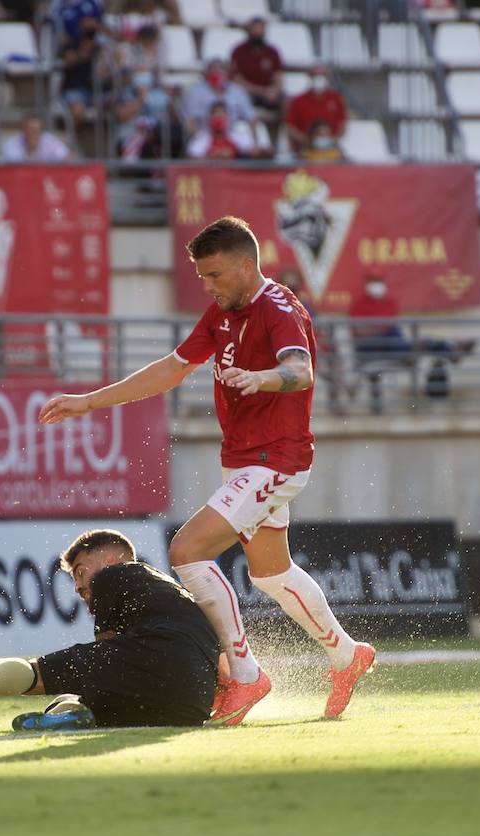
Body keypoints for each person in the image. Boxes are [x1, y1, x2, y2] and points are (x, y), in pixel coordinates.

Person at [38, 216, 377, 725]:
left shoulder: (279, 309)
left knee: (186, 550)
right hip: (244, 460)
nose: (207, 285)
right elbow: (172, 369)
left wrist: (262, 378)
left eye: (214, 275)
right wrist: (90, 401)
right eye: (201, 276)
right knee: (270, 573)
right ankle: (347, 656)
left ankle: (245, 676)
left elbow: (300, 370)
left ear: (246, 266)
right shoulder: (221, 314)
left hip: (275, 461)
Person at [0, 529, 218, 730]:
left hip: (154, 662)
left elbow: (108, 651)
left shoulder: (114, 575)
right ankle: (72, 715)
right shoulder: (176, 594)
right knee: (92, 701)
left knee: (38, 674)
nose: (77, 587)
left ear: (110, 557)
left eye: (79, 571)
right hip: (189, 707)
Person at [349, 274, 475, 402]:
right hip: (370, 350)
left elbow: (381, 327)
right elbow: (358, 333)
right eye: (374, 282)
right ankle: (451, 349)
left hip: (392, 348)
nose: (377, 286)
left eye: (379, 281)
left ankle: (450, 350)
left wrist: (376, 327)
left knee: (420, 341)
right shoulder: (359, 305)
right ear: (366, 284)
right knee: (404, 337)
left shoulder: (389, 302)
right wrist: (381, 328)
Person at [59, 16, 112, 126]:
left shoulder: (100, 46)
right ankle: (73, 141)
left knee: (115, 105)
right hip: (74, 89)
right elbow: (68, 61)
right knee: (78, 111)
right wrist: (82, 52)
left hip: (96, 91)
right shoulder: (72, 43)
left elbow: (106, 71)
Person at [183, 58, 257, 136]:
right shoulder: (195, 92)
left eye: (220, 68)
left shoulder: (237, 91)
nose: (216, 71)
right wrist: (203, 140)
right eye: (213, 68)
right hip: (205, 135)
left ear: (227, 72)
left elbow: (251, 117)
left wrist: (255, 143)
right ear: (206, 72)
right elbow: (190, 121)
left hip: (232, 135)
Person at [285, 65, 347, 154]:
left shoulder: (336, 99)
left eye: (322, 76)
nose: (319, 79)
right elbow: (290, 127)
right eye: (315, 76)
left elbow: (342, 124)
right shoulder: (298, 101)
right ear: (310, 78)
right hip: (305, 148)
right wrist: (306, 140)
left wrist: (332, 140)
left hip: (331, 147)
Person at [230, 16, 283, 118]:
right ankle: (249, 131)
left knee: (286, 102)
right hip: (249, 92)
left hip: (268, 93)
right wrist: (262, 91)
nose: (258, 35)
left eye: (260, 31)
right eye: (255, 31)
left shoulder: (272, 52)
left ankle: (278, 133)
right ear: (249, 32)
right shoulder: (239, 51)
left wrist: (275, 90)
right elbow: (237, 80)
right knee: (242, 99)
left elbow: (278, 76)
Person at [185, 101, 256, 160]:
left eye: (223, 113)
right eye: (216, 113)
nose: (219, 117)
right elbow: (191, 158)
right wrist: (213, 157)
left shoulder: (237, 136)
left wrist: (234, 154)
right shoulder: (201, 138)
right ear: (209, 118)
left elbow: (254, 152)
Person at [0, 114, 73, 162]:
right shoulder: (11, 145)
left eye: (37, 130)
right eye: (30, 129)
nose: (33, 133)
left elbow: (68, 158)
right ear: (23, 130)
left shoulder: (50, 141)